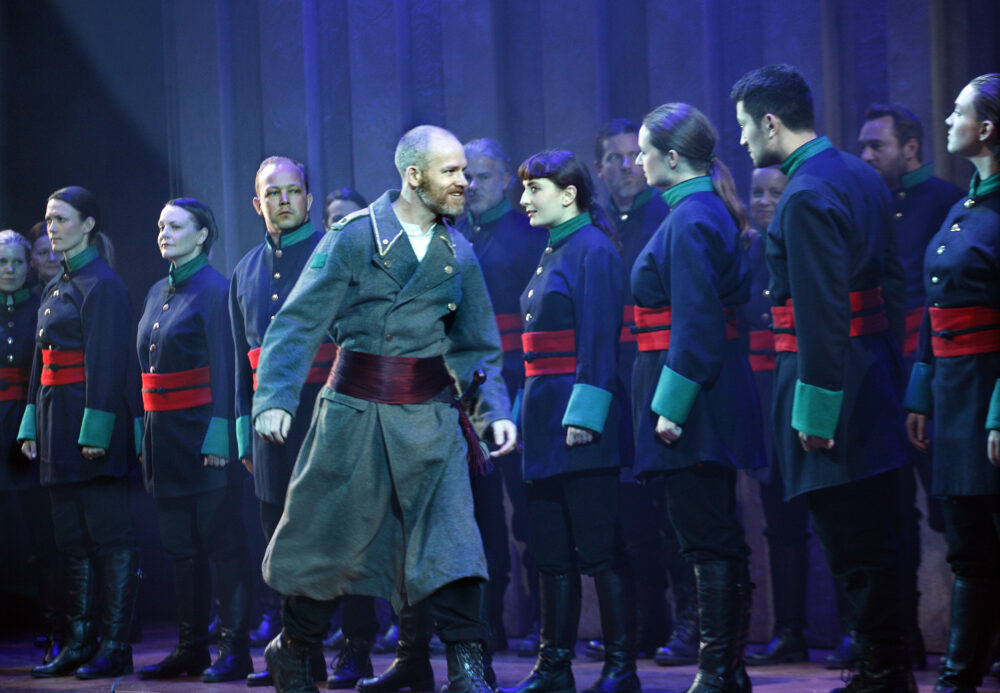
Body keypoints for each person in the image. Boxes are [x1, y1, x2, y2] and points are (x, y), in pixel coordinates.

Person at [252, 124, 516, 693]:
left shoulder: (457, 252)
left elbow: (474, 345)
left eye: (466, 172)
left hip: (432, 421)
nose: (463, 182)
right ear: (413, 175)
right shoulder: (354, 238)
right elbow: (297, 322)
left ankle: (470, 668)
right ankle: (294, 648)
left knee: (453, 544)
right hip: (356, 416)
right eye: (451, 171)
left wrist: (492, 410)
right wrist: (273, 398)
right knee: (327, 541)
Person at [731, 64, 913, 693]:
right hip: (875, 376)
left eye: (747, 127)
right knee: (879, 535)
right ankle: (886, 667)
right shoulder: (860, 175)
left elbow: (819, 313)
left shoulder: (805, 192)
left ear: (772, 121)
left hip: (831, 389)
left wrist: (814, 413)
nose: (746, 141)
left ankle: (879, 674)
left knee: (852, 543)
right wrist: (892, 372)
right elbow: (892, 289)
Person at [630, 103, 762, 693]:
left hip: (695, 404)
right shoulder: (700, 210)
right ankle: (725, 672)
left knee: (706, 537)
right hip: (709, 395)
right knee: (714, 535)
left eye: (644, 150)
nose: (637, 160)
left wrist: (670, 406)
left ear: (673, 156)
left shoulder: (688, 219)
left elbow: (698, 324)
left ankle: (717, 674)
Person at [503, 149, 636, 693]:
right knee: (551, 549)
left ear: (569, 193)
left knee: (598, 547)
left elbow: (600, 342)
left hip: (580, 422)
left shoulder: (593, 251)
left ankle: (620, 667)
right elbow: (534, 354)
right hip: (542, 418)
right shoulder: (552, 251)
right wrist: (517, 417)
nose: (524, 200)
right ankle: (554, 666)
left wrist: (587, 414)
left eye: (535, 189)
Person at [229, 156, 361, 688]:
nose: (284, 200)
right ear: (257, 204)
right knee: (280, 541)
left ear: (308, 199)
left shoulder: (336, 254)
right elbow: (241, 363)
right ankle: (298, 654)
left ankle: (356, 650)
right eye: (273, 193)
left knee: (344, 536)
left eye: (294, 191)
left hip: (328, 412)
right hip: (268, 426)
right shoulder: (243, 270)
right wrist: (243, 431)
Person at [18, 186, 140, 680]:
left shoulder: (103, 285)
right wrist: (31, 424)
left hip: (90, 425)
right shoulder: (55, 284)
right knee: (70, 540)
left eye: (62, 219)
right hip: (56, 423)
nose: (52, 227)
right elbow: (37, 365)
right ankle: (78, 640)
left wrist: (96, 430)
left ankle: (114, 644)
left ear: (88, 224)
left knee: (109, 539)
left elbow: (108, 364)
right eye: (48, 219)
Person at [903, 72, 1000, 693]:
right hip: (954, 394)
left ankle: (960, 676)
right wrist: (920, 391)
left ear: (987, 128)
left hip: (987, 392)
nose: (946, 122)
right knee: (964, 542)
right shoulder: (963, 207)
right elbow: (933, 308)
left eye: (958, 112)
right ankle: (959, 677)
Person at [590, 118, 698, 668]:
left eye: (632, 155)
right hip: (618, 383)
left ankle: (691, 625)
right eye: (610, 158)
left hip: (659, 376)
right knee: (630, 514)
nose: (623, 166)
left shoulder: (668, 216)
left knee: (671, 512)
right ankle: (643, 623)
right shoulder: (603, 223)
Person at [134, 198, 253, 682]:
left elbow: (228, 371)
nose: (164, 232)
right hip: (165, 442)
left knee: (222, 545)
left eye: (176, 225)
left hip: (204, 438)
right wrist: (145, 437)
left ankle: (235, 649)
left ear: (202, 235)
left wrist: (220, 436)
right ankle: (191, 647)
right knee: (180, 550)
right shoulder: (156, 291)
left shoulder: (215, 290)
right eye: (161, 225)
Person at [459, 136, 547, 651]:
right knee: (480, 510)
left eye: (483, 176)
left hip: (519, 384)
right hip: (467, 391)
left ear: (508, 180)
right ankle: (487, 624)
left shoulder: (529, 233)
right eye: (464, 176)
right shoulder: (451, 233)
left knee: (530, 508)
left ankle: (541, 622)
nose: (471, 186)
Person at [734, 165, 816, 668]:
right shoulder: (746, 250)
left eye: (774, 193)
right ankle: (788, 630)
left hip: (801, 387)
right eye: (756, 193)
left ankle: (859, 632)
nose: (763, 201)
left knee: (823, 514)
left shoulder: (804, 242)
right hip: (762, 395)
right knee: (778, 521)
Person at [0, 230, 62, 660]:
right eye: (2, 263)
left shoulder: (44, 305)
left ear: (30, 265)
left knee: (44, 536)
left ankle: (56, 624)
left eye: (18, 262)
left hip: (25, 430)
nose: (10, 270)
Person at [27, 221, 60, 295]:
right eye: (43, 253)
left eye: (58, 251)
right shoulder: (26, 298)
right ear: (31, 259)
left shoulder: (83, 293)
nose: (52, 258)